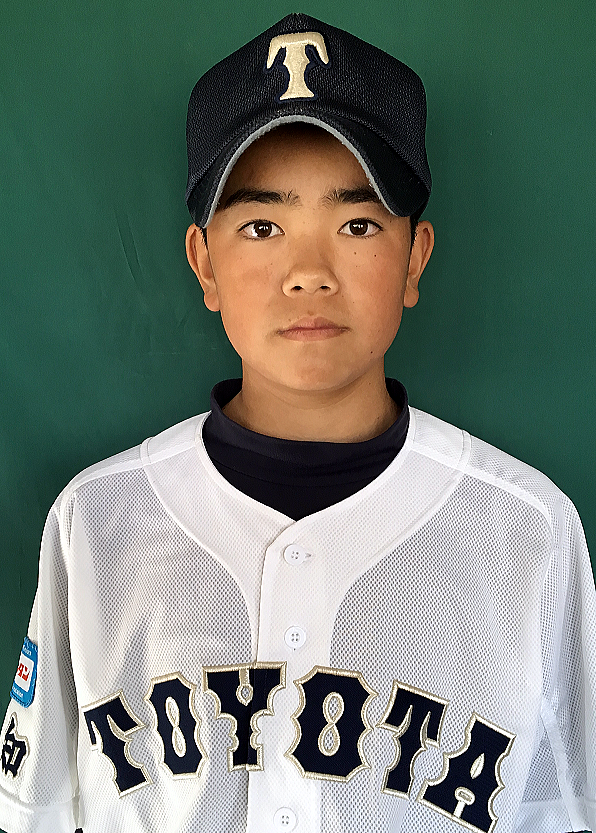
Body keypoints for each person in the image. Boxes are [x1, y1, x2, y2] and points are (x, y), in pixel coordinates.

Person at [0, 12, 594, 833]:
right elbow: (34, 815)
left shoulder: (528, 533)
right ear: (204, 263)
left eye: (357, 224)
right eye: (262, 226)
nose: (309, 273)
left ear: (415, 256)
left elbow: (565, 811)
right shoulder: (95, 525)